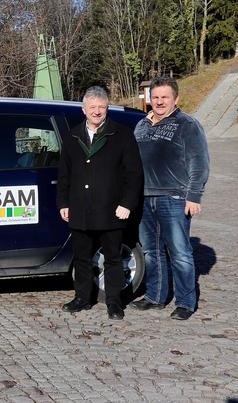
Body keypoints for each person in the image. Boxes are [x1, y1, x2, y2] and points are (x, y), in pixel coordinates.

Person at [57, 86, 143, 320]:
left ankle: (114, 302)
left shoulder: (122, 134)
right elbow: (64, 173)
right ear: (84, 109)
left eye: (101, 107)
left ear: (107, 108)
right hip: (80, 208)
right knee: (82, 257)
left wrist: (127, 203)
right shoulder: (73, 135)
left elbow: (134, 174)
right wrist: (63, 202)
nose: (97, 112)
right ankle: (82, 298)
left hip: (112, 209)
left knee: (113, 258)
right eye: (92, 107)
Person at [132, 76, 210, 320]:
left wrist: (194, 196)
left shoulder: (187, 124)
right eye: (155, 97)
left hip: (174, 198)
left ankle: (186, 303)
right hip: (144, 198)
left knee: (180, 253)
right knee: (151, 252)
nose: (159, 101)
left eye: (165, 97)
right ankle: (156, 297)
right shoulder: (141, 125)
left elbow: (199, 162)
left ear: (176, 98)